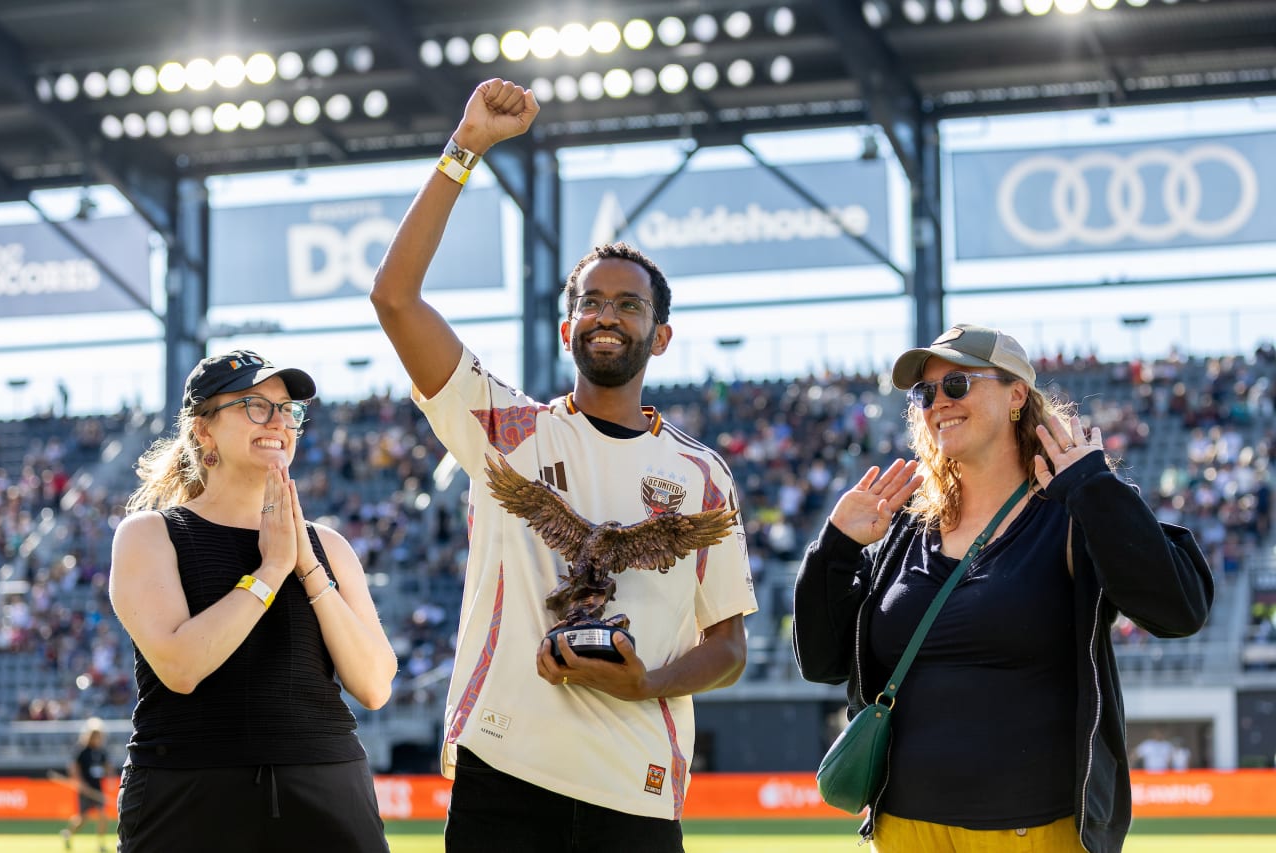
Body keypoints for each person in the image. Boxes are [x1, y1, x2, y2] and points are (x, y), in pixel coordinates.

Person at [371, 78, 757, 852]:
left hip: (636, 789)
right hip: (505, 773)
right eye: (592, 300)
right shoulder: (506, 430)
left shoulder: (704, 476)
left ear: (662, 336)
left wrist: (646, 680)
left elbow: (729, 647)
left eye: (630, 304)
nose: (609, 313)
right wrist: (464, 150)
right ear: (565, 328)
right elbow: (395, 297)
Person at [792, 323, 1213, 853]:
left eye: (958, 385)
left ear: (1017, 394)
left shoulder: (1074, 509)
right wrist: (835, 547)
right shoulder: (905, 527)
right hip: (903, 829)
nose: (938, 402)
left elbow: (1180, 610)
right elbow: (823, 662)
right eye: (926, 392)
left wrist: (1094, 487)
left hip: (1033, 830)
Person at [108, 350, 397, 853]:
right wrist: (268, 571)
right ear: (203, 430)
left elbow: (373, 686)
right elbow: (181, 667)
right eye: (254, 405)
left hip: (326, 783)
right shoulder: (150, 535)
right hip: (188, 790)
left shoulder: (328, 547)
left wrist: (305, 565)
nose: (278, 421)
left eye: (288, 409)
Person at [61, 717, 112, 851]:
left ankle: (101, 844)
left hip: (97, 788)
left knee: (103, 815)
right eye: (94, 735)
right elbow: (73, 768)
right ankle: (68, 834)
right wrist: (81, 784)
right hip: (85, 789)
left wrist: (108, 774)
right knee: (82, 818)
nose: (97, 738)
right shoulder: (82, 751)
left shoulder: (101, 751)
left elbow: (107, 767)